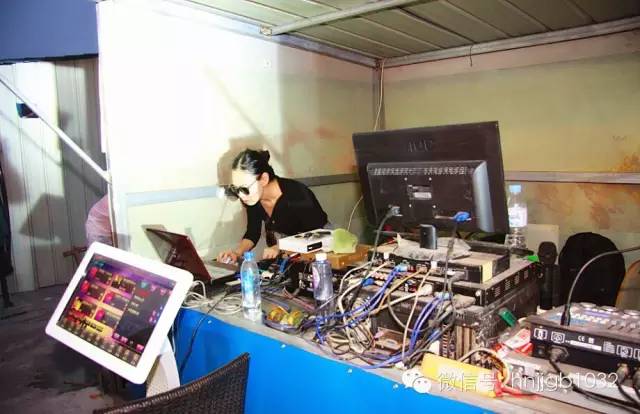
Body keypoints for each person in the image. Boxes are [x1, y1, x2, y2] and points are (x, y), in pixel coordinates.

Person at [217, 149, 329, 263]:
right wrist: (237, 253)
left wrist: (281, 247)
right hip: (289, 254)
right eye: (236, 189)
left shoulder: (297, 194)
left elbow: (317, 235)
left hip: (321, 249)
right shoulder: (253, 199)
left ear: (264, 179)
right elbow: (252, 232)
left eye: (244, 189)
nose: (241, 195)